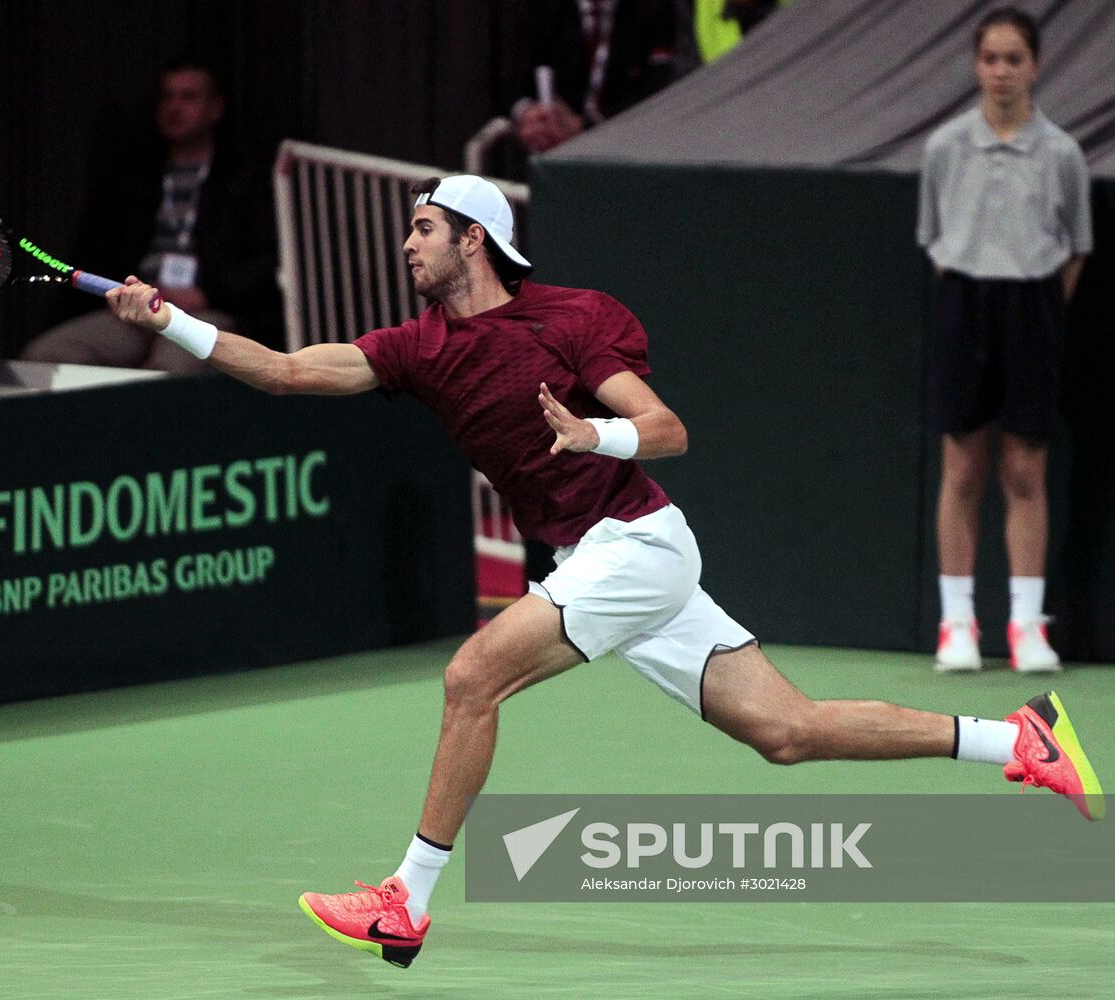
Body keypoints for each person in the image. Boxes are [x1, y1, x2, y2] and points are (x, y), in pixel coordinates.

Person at [107, 173, 1104, 969]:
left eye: (422, 227)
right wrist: (169, 324)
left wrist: (592, 431)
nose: (405, 244)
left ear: (472, 238)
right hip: (609, 561)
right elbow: (285, 369)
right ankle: (1012, 739)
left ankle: (404, 902)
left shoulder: (565, 322)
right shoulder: (414, 348)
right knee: (787, 734)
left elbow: (666, 429)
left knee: (470, 677)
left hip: (633, 545)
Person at [917, 7, 1092, 674]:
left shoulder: (1062, 154)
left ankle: (1026, 627)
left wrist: (1036, 308)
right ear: (975, 64)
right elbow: (934, 237)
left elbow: (1076, 247)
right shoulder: (944, 148)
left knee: (1025, 469)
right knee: (962, 467)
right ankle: (956, 624)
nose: (1000, 71)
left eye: (1013, 59)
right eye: (990, 58)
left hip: (1034, 310)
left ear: (1035, 67)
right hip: (965, 302)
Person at [20, 57, 281, 372]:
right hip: (138, 305)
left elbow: (264, 262)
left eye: (188, 97)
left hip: (206, 309)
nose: (174, 107)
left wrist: (206, 293)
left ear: (215, 108)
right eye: (167, 97)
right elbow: (101, 251)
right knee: (45, 355)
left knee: (170, 368)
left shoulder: (246, 178)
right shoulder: (135, 176)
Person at [508, 0, 677, 162]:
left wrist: (585, 127)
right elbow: (514, 80)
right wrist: (527, 113)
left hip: (628, 153)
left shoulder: (656, 8)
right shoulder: (541, 7)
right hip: (549, 157)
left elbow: (659, 95)